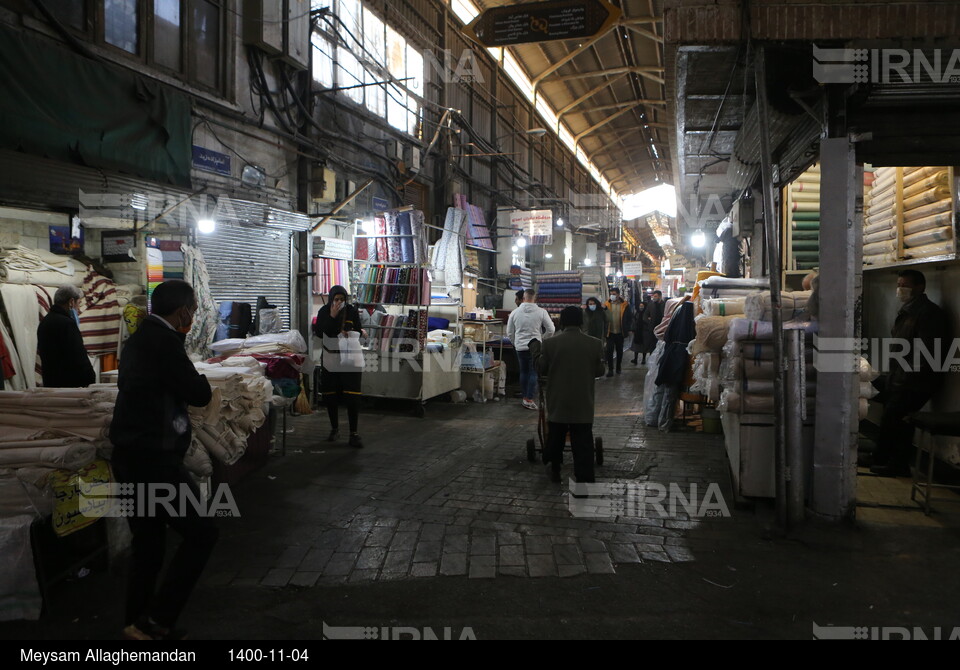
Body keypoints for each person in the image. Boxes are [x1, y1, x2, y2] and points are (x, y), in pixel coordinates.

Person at [109, 280, 216, 641]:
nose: (194, 315)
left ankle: (135, 623)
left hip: (128, 457)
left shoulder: (138, 339)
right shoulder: (165, 343)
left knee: (149, 544)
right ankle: (157, 619)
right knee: (202, 533)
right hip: (155, 462)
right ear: (183, 311)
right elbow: (198, 393)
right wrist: (199, 374)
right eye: (193, 308)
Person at [870, 270, 948, 477]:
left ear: (920, 287)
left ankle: (895, 464)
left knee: (896, 417)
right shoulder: (908, 311)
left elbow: (928, 352)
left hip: (917, 380)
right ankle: (882, 458)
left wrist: (905, 380)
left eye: (905, 285)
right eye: (899, 284)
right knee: (891, 415)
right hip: (901, 377)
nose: (900, 289)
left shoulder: (928, 313)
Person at [533, 306, 605, 483]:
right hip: (583, 402)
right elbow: (600, 371)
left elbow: (542, 369)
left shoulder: (550, 344)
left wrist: (535, 353)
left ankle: (555, 470)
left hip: (558, 401)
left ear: (561, 322)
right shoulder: (595, 343)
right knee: (583, 443)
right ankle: (584, 480)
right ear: (581, 321)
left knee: (556, 439)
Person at [314, 285, 365, 448]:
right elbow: (321, 332)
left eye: (342, 299)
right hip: (331, 358)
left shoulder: (351, 311)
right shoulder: (324, 311)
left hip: (350, 358)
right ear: (331, 299)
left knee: (352, 395)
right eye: (336, 299)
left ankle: (354, 433)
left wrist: (359, 332)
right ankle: (334, 428)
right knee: (330, 395)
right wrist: (332, 316)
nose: (339, 302)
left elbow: (357, 328)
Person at [36, 285, 95, 388]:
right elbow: (78, 356)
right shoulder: (67, 324)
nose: (78, 309)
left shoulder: (45, 322)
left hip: (51, 383)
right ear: (71, 302)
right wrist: (90, 378)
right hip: (71, 384)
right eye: (78, 303)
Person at [506, 288, 555, 410]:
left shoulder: (515, 313)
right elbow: (551, 329)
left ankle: (525, 397)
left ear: (523, 298)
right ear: (535, 298)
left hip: (520, 347)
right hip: (535, 347)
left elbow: (509, 332)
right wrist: (541, 340)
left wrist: (515, 343)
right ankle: (529, 398)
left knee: (523, 372)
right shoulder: (541, 312)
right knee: (533, 372)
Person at [602, 287, 633, 377]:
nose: (612, 295)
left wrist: (627, 328)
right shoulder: (606, 305)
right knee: (609, 351)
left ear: (619, 294)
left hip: (620, 332)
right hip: (610, 332)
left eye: (614, 294)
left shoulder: (625, 305)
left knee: (620, 351)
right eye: (611, 293)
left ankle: (618, 367)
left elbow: (629, 318)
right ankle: (610, 369)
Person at [639, 290, 665, 364]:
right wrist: (649, 321)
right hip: (652, 329)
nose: (654, 298)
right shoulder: (651, 304)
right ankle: (652, 361)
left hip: (662, 329)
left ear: (660, 296)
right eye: (653, 296)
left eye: (656, 296)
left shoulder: (665, 304)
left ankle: (659, 361)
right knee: (652, 346)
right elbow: (645, 316)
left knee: (661, 346)